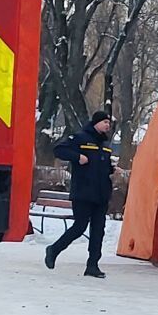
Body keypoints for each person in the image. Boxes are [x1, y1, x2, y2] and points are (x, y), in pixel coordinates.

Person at [45, 111, 116, 278]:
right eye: (105, 122)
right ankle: (54, 250)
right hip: (83, 192)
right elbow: (59, 150)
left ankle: (92, 265)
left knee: (98, 230)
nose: (107, 125)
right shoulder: (80, 138)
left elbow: (101, 166)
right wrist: (77, 157)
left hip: (101, 193)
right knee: (80, 226)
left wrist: (112, 170)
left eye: (109, 123)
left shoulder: (105, 144)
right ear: (96, 123)